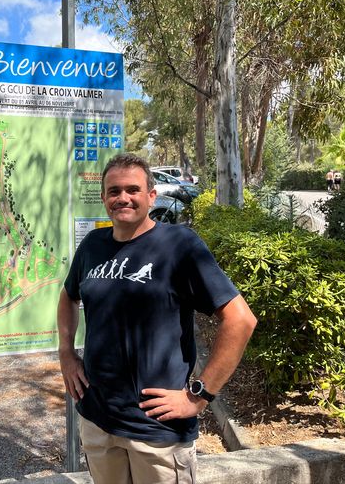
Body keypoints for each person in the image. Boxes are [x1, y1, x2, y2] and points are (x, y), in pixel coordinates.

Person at [58, 154, 257, 483]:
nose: (123, 197)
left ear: (152, 195)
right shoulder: (93, 245)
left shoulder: (180, 246)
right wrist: (66, 352)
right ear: (104, 197)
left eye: (133, 189)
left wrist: (199, 395)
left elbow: (240, 319)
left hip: (157, 432)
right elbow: (68, 296)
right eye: (114, 191)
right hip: (98, 421)